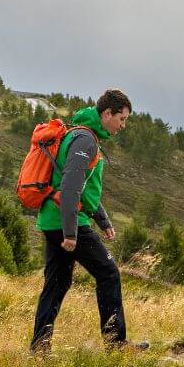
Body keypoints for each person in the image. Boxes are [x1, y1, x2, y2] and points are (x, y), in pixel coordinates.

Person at [31, 89, 137, 352]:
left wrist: (103, 221)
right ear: (106, 113)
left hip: (53, 220)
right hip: (68, 223)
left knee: (56, 284)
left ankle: (39, 348)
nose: (122, 126)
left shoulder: (79, 133)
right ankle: (116, 343)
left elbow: (85, 189)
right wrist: (70, 232)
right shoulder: (85, 141)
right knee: (108, 273)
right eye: (121, 119)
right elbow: (70, 187)